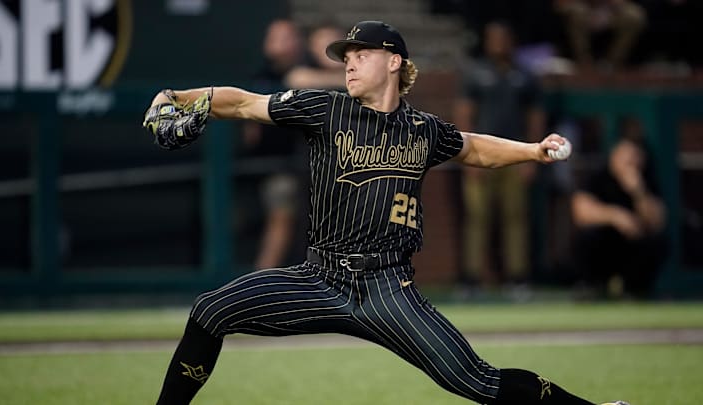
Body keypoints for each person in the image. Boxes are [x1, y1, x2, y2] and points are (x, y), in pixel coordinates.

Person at [146, 20, 629, 405]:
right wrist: (178, 98)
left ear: (394, 61)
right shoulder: (325, 109)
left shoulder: (423, 129)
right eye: (346, 58)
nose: (349, 65)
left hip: (388, 290)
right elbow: (244, 102)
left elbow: (476, 149)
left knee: (478, 382)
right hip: (320, 278)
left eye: (361, 55)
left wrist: (532, 150)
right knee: (209, 311)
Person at [453, 22, 546, 291]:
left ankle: (517, 277)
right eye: (493, 38)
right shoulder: (475, 73)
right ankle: (471, 278)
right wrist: (464, 155)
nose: (498, 44)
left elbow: (535, 116)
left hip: (516, 156)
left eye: (503, 38)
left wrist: (533, 155)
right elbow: (464, 114)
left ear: (511, 40)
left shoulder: (525, 75)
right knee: (476, 216)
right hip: (479, 155)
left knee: (516, 217)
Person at [571, 120, 667, 299]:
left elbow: (657, 221)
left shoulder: (646, 178)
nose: (629, 162)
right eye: (624, 156)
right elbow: (580, 211)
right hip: (605, 246)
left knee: (655, 240)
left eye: (634, 158)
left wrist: (638, 192)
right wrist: (616, 216)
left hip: (630, 248)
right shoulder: (599, 175)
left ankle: (635, 290)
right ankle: (593, 287)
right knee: (587, 236)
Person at [242, 19, 305, 269]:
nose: (281, 45)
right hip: (273, 168)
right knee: (280, 218)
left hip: (314, 169)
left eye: (287, 38)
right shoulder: (262, 77)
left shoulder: (309, 68)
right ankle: (262, 282)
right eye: (275, 38)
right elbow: (251, 133)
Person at [554, 0, 647, 72]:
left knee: (634, 16)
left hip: (610, 11)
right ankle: (585, 64)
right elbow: (560, 4)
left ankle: (611, 64)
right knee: (576, 12)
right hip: (584, 9)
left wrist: (607, 10)